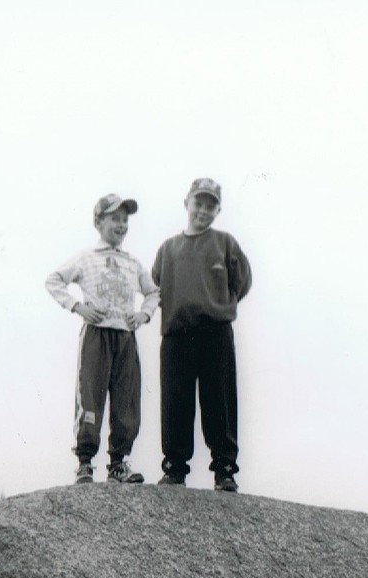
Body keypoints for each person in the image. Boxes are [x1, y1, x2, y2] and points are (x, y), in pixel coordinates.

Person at [45, 194, 160, 484]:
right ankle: (85, 461)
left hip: (125, 335)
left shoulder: (132, 262)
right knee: (91, 394)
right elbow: (54, 280)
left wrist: (144, 315)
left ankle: (118, 462)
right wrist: (77, 306)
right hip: (96, 335)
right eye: (114, 219)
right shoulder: (86, 257)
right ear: (98, 222)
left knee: (126, 398)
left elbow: (154, 292)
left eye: (125, 220)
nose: (121, 225)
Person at [151, 178, 252, 491]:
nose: (204, 210)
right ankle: (175, 468)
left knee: (219, 401)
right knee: (175, 401)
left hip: (215, 332)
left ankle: (224, 470)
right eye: (199, 203)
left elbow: (243, 280)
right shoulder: (168, 248)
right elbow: (156, 281)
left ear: (218, 210)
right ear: (187, 203)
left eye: (211, 205)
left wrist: (221, 304)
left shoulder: (224, 243)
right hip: (177, 334)